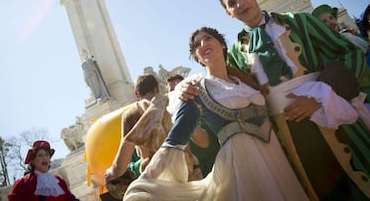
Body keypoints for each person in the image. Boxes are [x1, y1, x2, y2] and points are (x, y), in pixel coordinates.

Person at [178, 0, 370, 200]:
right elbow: (222, 81)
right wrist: (185, 87)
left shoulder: (300, 22)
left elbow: (348, 52)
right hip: (289, 140)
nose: (239, 4)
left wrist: (321, 93)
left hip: (333, 114)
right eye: (232, 3)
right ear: (228, 13)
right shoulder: (236, 52)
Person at [124, 27, 308, 200]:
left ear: (222, 44)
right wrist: (147, 178)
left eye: (207, 38)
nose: (203, 45)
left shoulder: (247, 82)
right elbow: (177, 137)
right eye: (197, 45)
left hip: (277, 159)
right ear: (196, 57)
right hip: (240, 167)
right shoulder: (196, 89)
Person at [104, 74, 202, 199]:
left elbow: (120, 166)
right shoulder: (175, 104)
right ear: (157, 89)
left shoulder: (132, 113)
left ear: (136, 94)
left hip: (159, 183)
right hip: (190, 176)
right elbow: (204, 142)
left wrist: (111, 173)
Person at [8, 140, 77, 201]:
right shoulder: (23, 183)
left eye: (47, 155)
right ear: (32, 160)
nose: (45, 158)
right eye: (40, 155)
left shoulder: (59, 181)